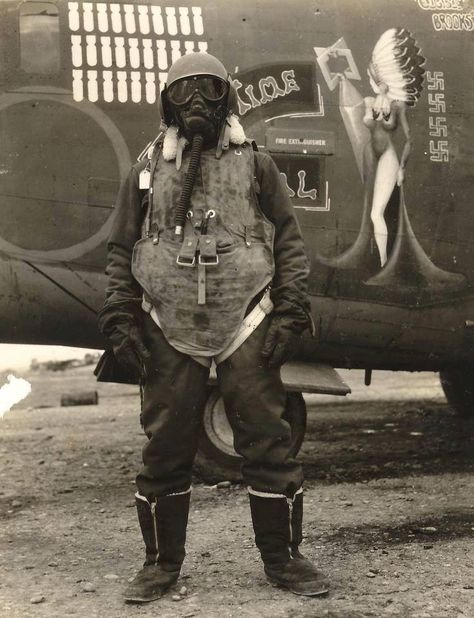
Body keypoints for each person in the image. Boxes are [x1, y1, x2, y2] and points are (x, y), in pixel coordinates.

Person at [97, 51, 328, 603]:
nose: (195, 101)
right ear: (167, 102)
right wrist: (120, 316)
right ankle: (160, 566)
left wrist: (291, 309)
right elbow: (120, 248)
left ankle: (284, 560)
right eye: (183, 91)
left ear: (225, 96)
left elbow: (290, 242)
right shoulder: (147, 170)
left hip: (245, 319)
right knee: (166, 446)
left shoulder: (256, 165)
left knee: (268, 442)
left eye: (207, 89)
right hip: (166, 322)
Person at [363, 28, 425, 266]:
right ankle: (381, 260)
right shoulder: (371, 101)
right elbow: (366, 122)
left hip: (388, 156)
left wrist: (401, 168)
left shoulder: (398, 106)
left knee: (376, 213)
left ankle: (383, 262)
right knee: (371, 213)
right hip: (373, 156)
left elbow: (409, 138)